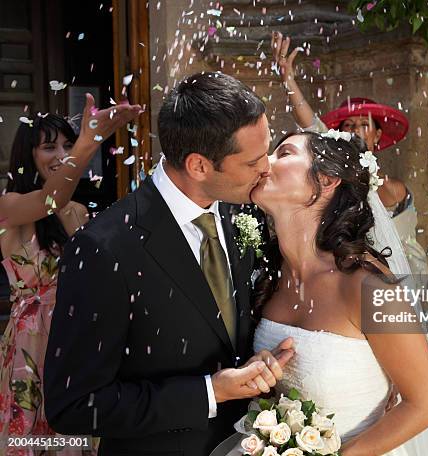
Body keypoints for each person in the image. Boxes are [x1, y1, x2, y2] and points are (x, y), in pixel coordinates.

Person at [43, 72, 295, 456]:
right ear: (198, 166)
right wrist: (209, 391)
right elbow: (75, 406)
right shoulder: (103, 249)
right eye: (253, 161)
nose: (268, 169)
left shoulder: (246, 213)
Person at [214, 131, 428, 455]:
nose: (266, 162)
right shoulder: (269, 277)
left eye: (285, 153)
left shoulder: (366, 287)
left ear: (327, 179)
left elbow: (424, 405)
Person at [0, 99, 141, 453]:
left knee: (72, 439)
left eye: (67, 144)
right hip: (32, 341)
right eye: (50, 147)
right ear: (26, 155)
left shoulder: (78, 211)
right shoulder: (9, 206)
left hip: (75, 335)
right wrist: (87, 142)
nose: (61, 154)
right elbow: (49, 200)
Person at [270, 31, 428, 277]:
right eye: (348, 126)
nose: (355, 131)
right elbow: (312, 125)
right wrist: (288, 80)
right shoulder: (336, 175)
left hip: (401, 276)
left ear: (377, 135)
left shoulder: (392, 188)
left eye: (364, 125)